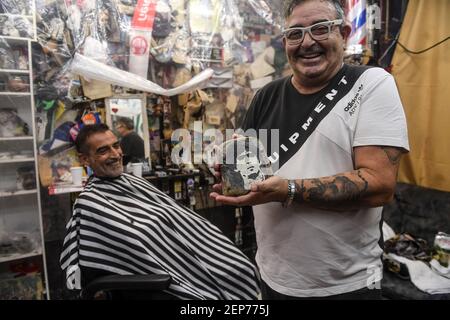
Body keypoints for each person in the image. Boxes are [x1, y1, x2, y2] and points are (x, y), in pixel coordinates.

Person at [210, 0, 409, 300]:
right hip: (272, 277)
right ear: (285, 42)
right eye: (296, 33)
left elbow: (379, 186)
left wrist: (287, 189)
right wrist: (232, 175)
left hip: (346, 284)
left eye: (319, 29)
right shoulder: (266, 96)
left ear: (343, 33)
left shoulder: (370, 84)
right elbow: (245, 161)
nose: (307, 42)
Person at [60, 124, 260, 300]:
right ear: (85, 159)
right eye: (103, 150)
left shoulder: (135, 182)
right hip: (160, 284)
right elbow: (103, 260)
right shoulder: (89, 203)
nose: (115, 154)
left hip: (188, 261)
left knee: (238, 268)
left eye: (116, 145)